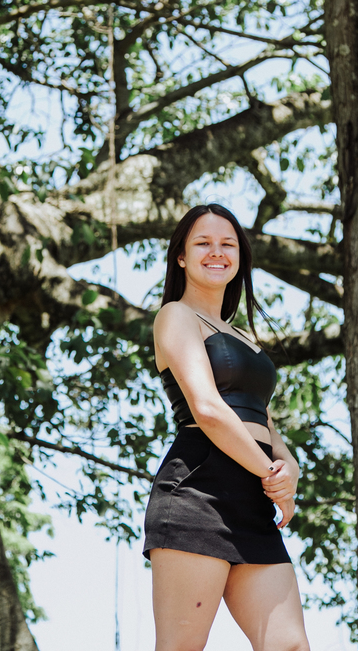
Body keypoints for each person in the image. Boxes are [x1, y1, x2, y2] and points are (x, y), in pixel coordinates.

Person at [143, 203, 310, 651]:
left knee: (290, 646)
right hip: (198, 493)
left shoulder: (241, 336)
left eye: (228, 244)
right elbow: (209, 409)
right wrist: (269, 472)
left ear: (240, 257)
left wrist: (288, 468)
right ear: (181, 256)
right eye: (203, 243)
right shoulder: (175, 315)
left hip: (253, 500)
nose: (217, 252)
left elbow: (262, 418)